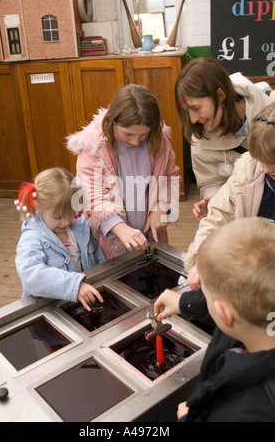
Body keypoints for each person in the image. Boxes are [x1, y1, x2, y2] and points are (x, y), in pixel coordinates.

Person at [155, 217, 275, 422]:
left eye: (205, 294)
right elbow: (238, 299)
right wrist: (185, 302)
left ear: (223, 313)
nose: (204, 297)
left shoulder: (241, 412)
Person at [67, 84, 180, 260]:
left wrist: (161, 208)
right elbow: (91, 194)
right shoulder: (93, 147)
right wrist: (118, 226)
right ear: (112, 122)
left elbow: (170, 177)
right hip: (108, 247)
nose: (135, 141)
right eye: (128, 134)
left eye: (143, 135)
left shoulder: (159, 141)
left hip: (152, 238)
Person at [184, 101, 275, 290]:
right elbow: (218, 216)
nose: (265, 169)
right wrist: (203, 257)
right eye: (261, 161)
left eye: (273, 165)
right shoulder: (248, 170)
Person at [175, 57, 275, 220]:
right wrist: (215, 201)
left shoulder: (270, 112)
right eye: (187, 111)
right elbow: (211, 183)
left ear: (220, 95)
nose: (192, 119)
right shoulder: (199, 138)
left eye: (196, 108)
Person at [15, 167, 105, 311]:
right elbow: (30, 275)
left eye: (71, 213)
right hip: (49, 310)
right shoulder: (32, 237)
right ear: (38, 206)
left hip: (81, 303)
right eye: (58, 217)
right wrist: (75, 286)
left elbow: (98, 258)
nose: (66, 222)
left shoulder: (81, 225)